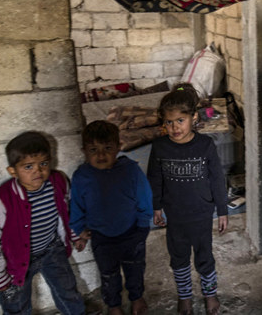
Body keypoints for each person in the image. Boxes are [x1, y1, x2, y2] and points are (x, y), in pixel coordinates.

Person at [0, 131, 85, 315]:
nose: (38, 171)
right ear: (13, 171)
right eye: (28, 167)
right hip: (16, 260)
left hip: (52, 249)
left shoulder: (58, 182)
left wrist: (75, 235)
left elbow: (68, 211)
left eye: (43, 164)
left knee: (68, 291)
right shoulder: (1, 200)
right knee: (16, 304)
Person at [147, 83, 228, 315]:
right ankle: (184, 296)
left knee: (205, 257)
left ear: (193, 117)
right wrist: (156, 206)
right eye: (169, 122)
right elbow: (154, 178)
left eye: (180, 121)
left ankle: (210, 293)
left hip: (202, 214)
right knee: (179, 258)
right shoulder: (160, 147)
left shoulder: (205, 145)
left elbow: (216, 179)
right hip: (175, 215)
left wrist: (222, 210)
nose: (174, 128)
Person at [69, 121, 152, 315]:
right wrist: (79, 228)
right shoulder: (82, 177)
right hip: (101, 236)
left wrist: (142, 225)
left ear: (118, 147)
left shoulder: (131, 171)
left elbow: (144, 198)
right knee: (108, 273)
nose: (100, 155)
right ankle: (114, 305)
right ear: (84, 151)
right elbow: (76, 206)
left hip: (132, 232)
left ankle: (137, 297)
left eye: (107, 148)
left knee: (135, 268)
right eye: (93, 149)